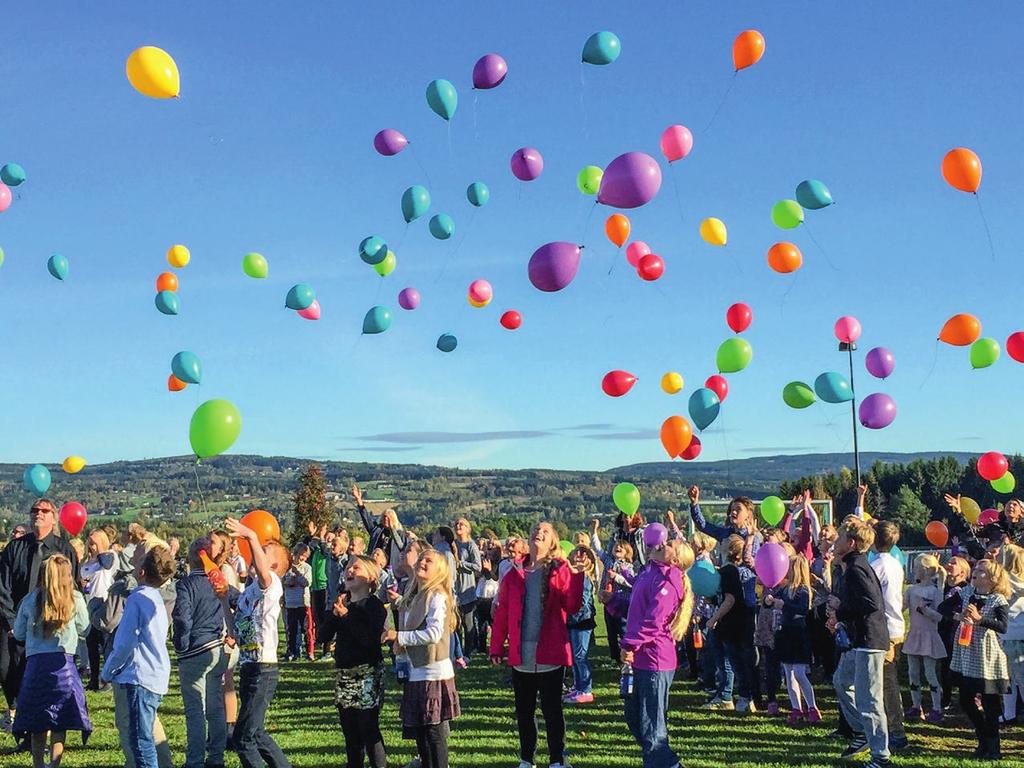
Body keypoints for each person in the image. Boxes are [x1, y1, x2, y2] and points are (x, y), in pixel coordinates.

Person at [490, 521, 583, 768]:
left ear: (552, 541)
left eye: (545, 531)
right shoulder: (513, 573)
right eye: (535, 530)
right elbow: (503, 613)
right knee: (524, 711)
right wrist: (497, 645)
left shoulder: (560, 568)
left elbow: (572, 605)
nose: (538, 533)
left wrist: (578, 575)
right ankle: (526, 758)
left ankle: (556, 759)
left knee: (552, 710)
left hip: (550, 652)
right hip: (522, 654)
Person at [0, 498, 80, 746]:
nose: (38, 514)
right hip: (16, 626)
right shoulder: (15, 548)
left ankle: (38, 730)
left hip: (52, 631)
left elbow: (73, 588)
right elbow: (3, 588)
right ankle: (20, 717)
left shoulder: (63, 549)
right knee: (8, 671)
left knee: (44, 682)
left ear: (54, 517)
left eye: (44, 511)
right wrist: (13, 622)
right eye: (34, 510)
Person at [620, 539, 695, 768]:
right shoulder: (649, 573)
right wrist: (613, 601)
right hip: (640, 659)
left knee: (652, 729)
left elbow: (654, 622)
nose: (662, 542)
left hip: (655, 661)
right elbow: (638, 608)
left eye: (669, 543)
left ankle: (665, 764)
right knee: (635, 717)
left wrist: (629, 644)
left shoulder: (668, 581)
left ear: (674, 560)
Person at [225, 516, 292, 768]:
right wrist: (223, 598)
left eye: (263, 551)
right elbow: (238, 624)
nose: (255, 553)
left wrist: (250, 535)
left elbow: (263, 574)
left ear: (273, 565)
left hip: (264, 669)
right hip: (249, 666)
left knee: (243, 738)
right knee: (257, 731)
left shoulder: (272, 584)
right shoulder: (250, 591)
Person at [12, 554, 91, 768]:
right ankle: (54, 764)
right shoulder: (75, 598)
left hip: (36, 667)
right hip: (63, 667)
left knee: (38, 721)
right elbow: (85, 628)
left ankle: (38, 763)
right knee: (60, 720)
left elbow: (19, 633)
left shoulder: (30, 600)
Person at [102, 544, 176, 768]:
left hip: (139, 676)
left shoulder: (137, 599)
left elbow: (124, 642)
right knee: (144, 734)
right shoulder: (156, 600)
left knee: (141, 741)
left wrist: (108, 670)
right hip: (155, 675)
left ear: (142, 572)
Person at [386, 548, 460, 768]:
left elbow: (434, 633)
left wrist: (400, 637)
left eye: (429, 560)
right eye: (421, 558)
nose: (422, 562)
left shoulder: (437, 596)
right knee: (421, 734)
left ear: (440, 571)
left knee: (433, 734)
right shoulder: (416, 595)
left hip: (433, 672)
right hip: (416, 671)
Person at [830, 518, 890, 768]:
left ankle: (881, 756)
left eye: (840, 538)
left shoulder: (857, 568)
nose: (835, 542)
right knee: (841, 681)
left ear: (851, 543)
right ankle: (861, 732)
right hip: (858, 640)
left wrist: (841, 611)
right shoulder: (852, 566)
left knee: (870, 699)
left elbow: (872, 603)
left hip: (869, 640)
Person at [318, 554, 388, 768]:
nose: (350, 571)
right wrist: (334, 614)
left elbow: (368, 639)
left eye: (356, 568)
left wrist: (347, 616)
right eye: (348, 567)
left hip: (367, 672)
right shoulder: (343, 604)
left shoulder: (373, 606)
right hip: (344, 674)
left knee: (368, 728)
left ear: (371, 578)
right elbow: (323, 636)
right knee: (350, 732)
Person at [172, 536, 228, 768]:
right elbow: (234, 599)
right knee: (214, 707)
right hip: (217, 646)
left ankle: (195, 760)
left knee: (195, 709)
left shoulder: (185, 584)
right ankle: (216, 757)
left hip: (195, 649)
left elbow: (183, 618)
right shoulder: (219, 580)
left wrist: (181, 645)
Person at [951, 558, 1012, 760]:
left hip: (987, 655)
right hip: (966, 652)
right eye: (976, 568)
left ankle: (994, 748)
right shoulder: (967, 593)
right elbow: (946, 608)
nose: (976, 572)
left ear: (993, 579)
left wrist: (980, 619)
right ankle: (982, 738)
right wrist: (957, 616)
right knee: (966, 699)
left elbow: (1002, 626)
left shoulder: (997, 600)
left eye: (982, 571)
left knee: (990, 703)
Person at [706, 535, 757, 713]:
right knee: (732, 660)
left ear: (729, 550)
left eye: (725, 542)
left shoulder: (729, 572)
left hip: (732, 623)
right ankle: (740, 696)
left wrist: (714, 619)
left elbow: (730, 599)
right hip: (732, 622)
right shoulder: (726, 571)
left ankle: (741, 697)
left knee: (734, 661)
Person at [768, 554, 820, 724]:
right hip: (785, 633)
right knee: (788, 673)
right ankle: (796, 707)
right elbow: (770, 602)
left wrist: (785, 605)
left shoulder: (803, 590)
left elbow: (803, 609)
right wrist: (769, 601)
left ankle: (812, 706)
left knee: (799, 672)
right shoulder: (783, 589)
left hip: (799, 634)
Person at [870, 520, 907, 752]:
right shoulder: (894, 563)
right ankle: (893, 728)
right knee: (888, 682)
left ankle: (896, 731)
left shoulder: (877, 565)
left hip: (885, 628)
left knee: (886, 684)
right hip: (896, 626)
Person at [902, 554, 946, 724]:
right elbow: (902, 607)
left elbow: (940, 617)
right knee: (912, 672)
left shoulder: (935, 591)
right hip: (914, 634)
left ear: (926, 570)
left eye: (916, 568)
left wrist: (926, 611)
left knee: (930, 673)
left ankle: (936, 707)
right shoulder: (911, 590)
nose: (914, 571)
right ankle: (916, 705)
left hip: (929, 635)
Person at [591, 520, 636, 662]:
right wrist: (594, 532)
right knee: (610, 631)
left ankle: (626, 656)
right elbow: (597, 549)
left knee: (623, 629)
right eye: (616, 546)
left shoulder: (628, 567)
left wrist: (616, 577)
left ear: (627, 552)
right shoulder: (608, 561)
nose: (617, 548)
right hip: (608, 602)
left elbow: (630, 583)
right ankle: (614, 656)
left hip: (622, 603)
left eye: (621, 548)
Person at [81, 529, 116, 691]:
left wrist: (101, 548)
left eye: (94, 542)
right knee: (91, 646)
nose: (91, 545)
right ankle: (94, 679)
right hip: (88, 605)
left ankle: (108, 679)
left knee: (106, 644)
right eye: (90, 542)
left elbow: (107, 563)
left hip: (102, 604)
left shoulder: (108, 558)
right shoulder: (86, 562)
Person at [688, 486, 763, 562]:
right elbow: (703, 526)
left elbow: (755, 564)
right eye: (732, 509)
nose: (733, 512)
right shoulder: (725, 533)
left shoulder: (752, 538)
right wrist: (694, 504)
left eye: (738, 509)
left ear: (748, 515)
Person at [565, 546, 598, 704]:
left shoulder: (584, 577)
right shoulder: (571, 576)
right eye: (574, 553)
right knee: (575, 656)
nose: (577, 557)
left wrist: (570, 609)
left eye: (582, 555)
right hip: (573, 621)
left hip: (581, 621)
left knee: (580, 656)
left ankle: (586, 689)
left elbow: (583, 602)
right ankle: (578, 687)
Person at [939, 555, 972, 710]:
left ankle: (969, 697)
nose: (949, 564)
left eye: (954, 563)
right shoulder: (942, 587)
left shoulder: (967, 589)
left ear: (963, 571)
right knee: (945, 666)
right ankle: (946, 697)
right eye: (949, 562)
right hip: (944, 631)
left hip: (961, 633)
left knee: (962, 666)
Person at [351, 484, 407, 566]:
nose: (386, 520)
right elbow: (366, 518)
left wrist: (392, 529)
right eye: (384, 517)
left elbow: (402, 548)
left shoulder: (400, 534)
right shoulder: (377, 531)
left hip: (390, 567)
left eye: (389, 518)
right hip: (373, 564)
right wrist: (359, 500)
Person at [1000, 544, 1024, 723]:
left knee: (1009, 678)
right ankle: (1010, 714)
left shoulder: (1005, 582)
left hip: (1010, 634)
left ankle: (1009, 713)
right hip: (1019, 634)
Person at [452, 518, 482, 658]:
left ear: (467, 528)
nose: (458, 526)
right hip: (454, 589)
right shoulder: (452, 545)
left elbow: (478, 566)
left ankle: (468, 653)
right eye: (457, 524)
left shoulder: (471, 545)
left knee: (467, 623)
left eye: (461, 524)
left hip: (467, 590)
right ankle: (457, 653)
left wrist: (462, 564)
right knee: (455, 624)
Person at [282, 543, 314, 662]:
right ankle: (292, 651)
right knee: (292, 629)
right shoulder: (287, 567)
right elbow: (284, 582)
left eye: (305, 556)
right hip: (291, 602)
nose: (302, 558)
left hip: (303, 603)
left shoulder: (307, 568)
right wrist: (290, 582)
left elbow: (307, 582)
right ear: (295, 554)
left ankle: (309, 651)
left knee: (307, 628)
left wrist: (298, 575)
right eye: (301, 555)